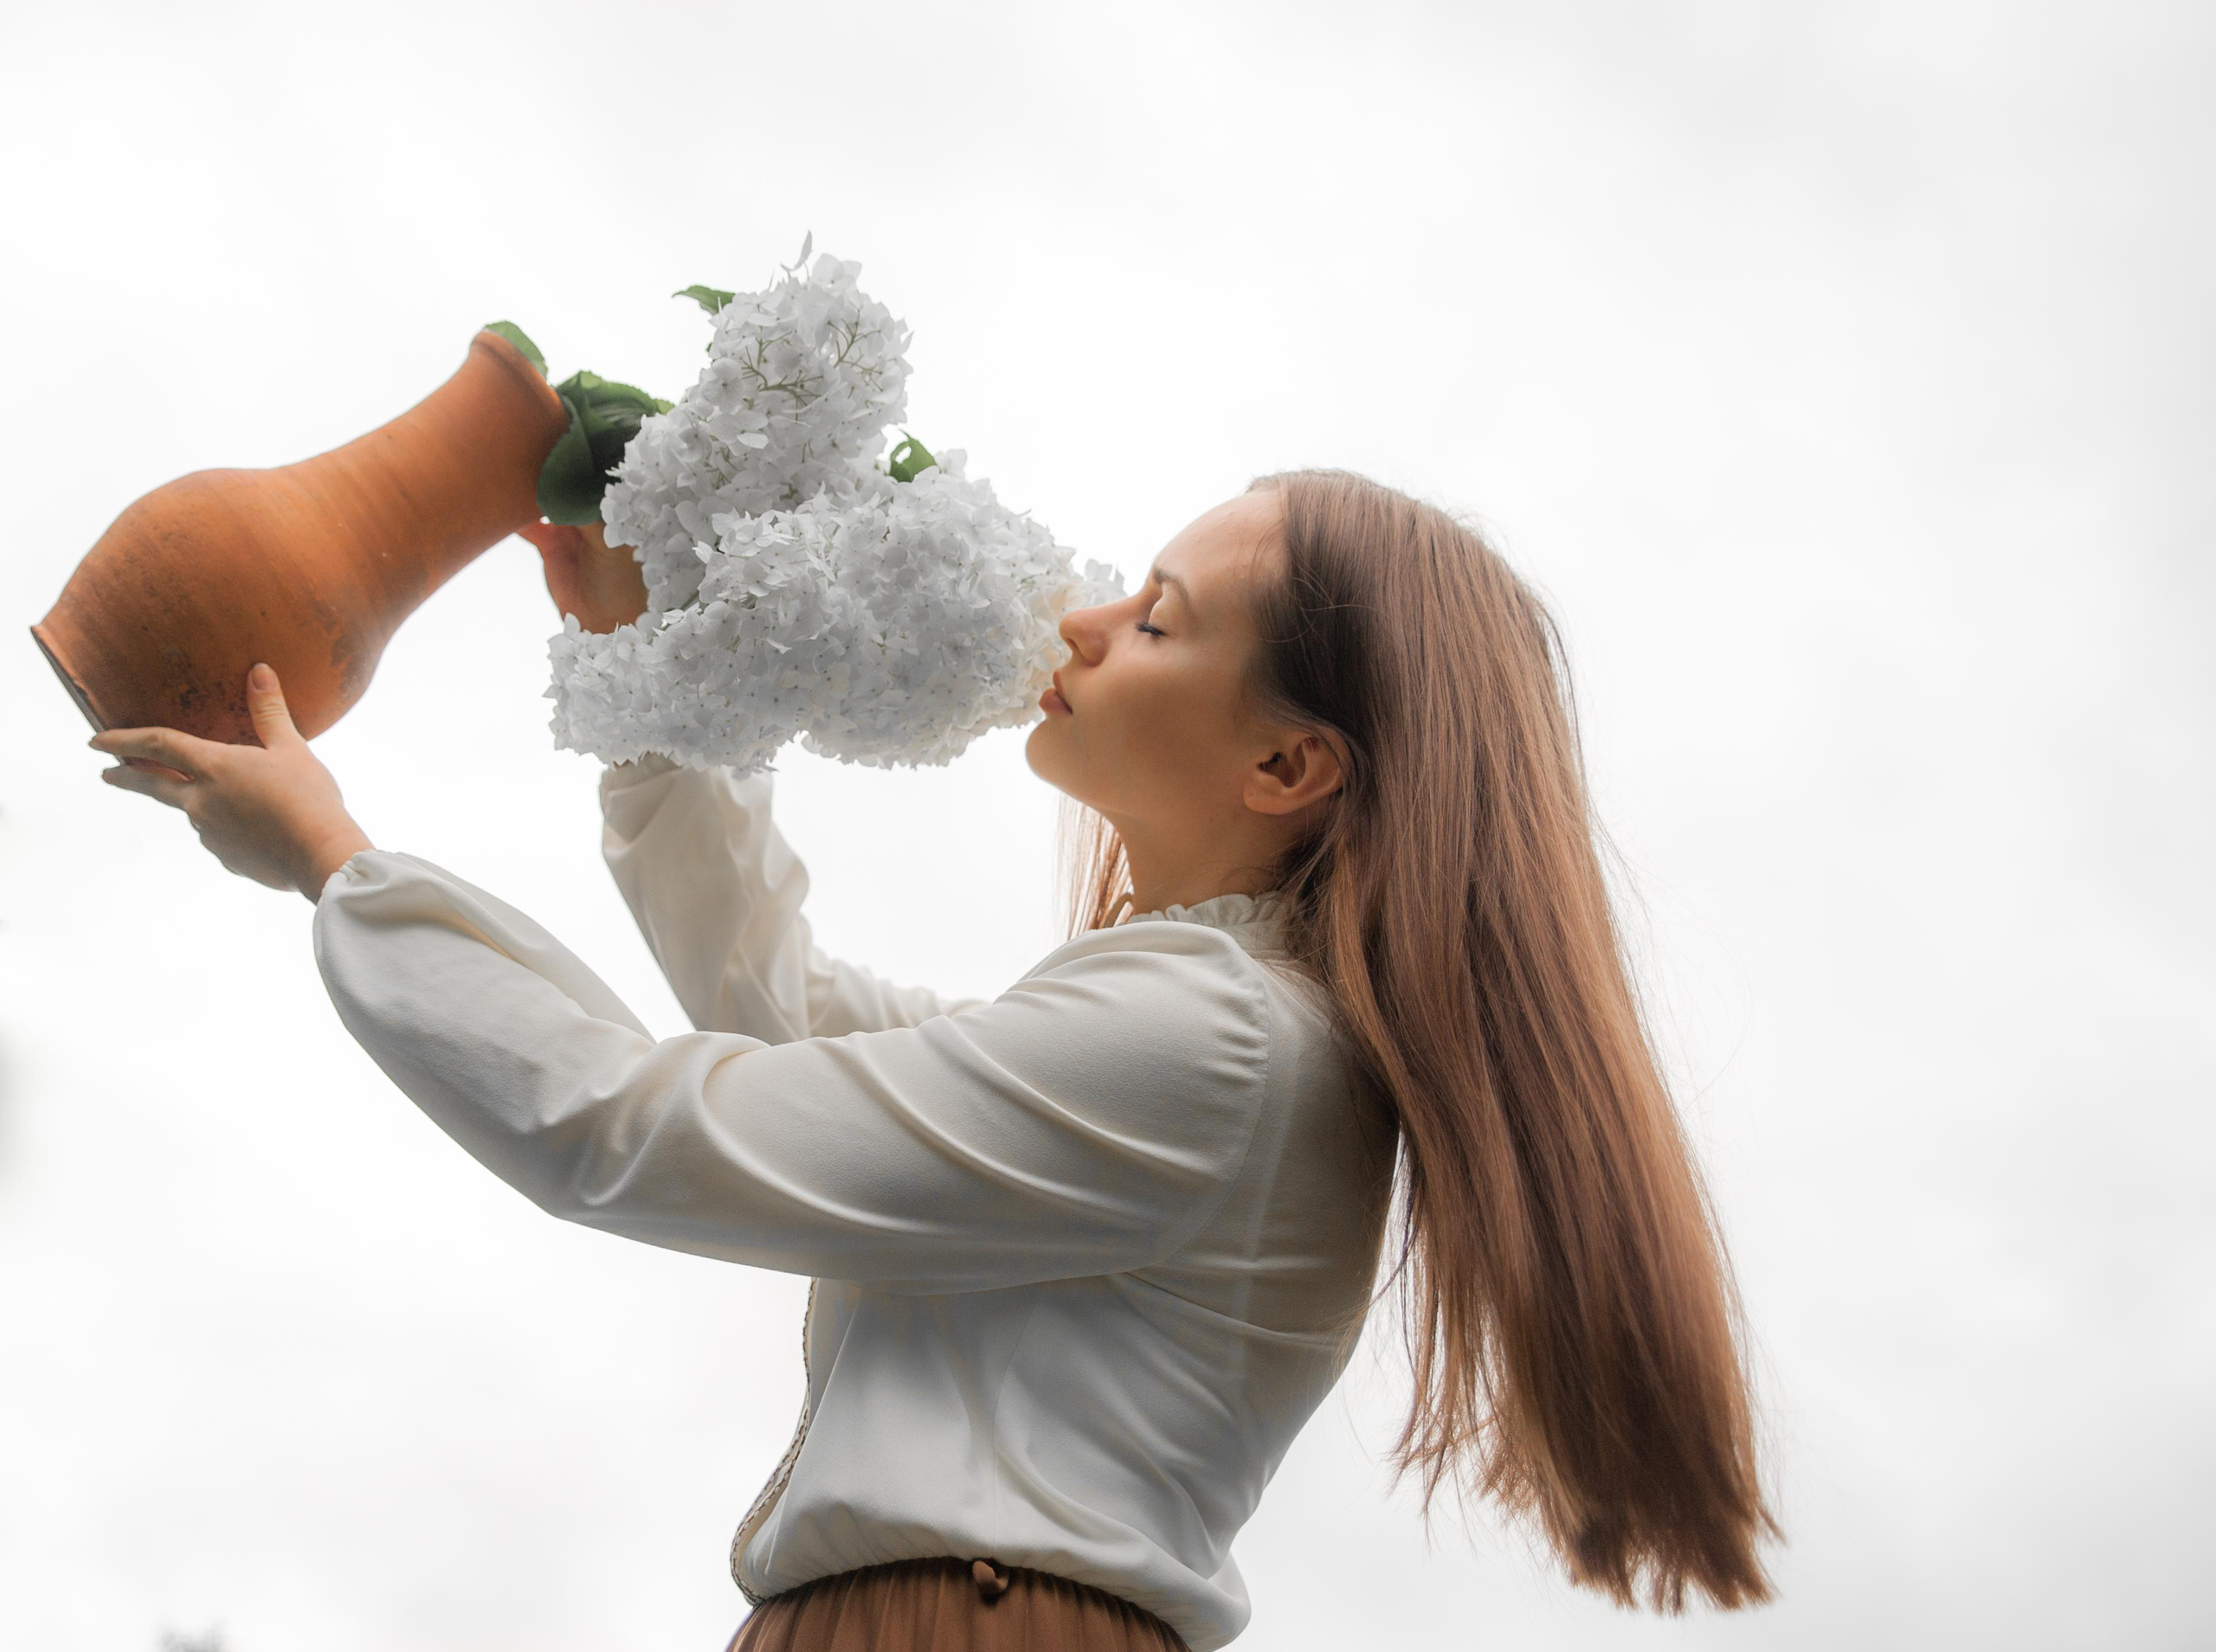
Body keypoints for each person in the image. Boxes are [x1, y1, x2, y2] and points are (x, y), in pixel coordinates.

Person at [91, 470, 1778, 1649]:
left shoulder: (1214, 1047)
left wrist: (337, 866)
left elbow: (632, 1125)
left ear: (1284, 761)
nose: (1092, 618)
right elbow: (783, 1004)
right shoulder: (1196, 1021)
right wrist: (650, 664)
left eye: (1161, 619)